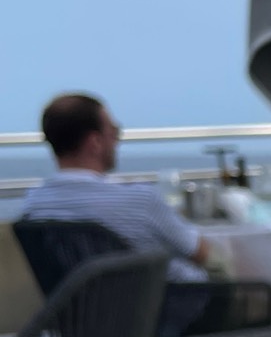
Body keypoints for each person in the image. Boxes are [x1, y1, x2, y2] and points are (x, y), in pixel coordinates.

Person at [22, 93, 209, 282]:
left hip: (79, 308)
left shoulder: (33, 207)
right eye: (114, 131)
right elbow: (199, 253)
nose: (117, 141)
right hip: (168, 305)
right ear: (95, 142)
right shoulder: (141, 202)